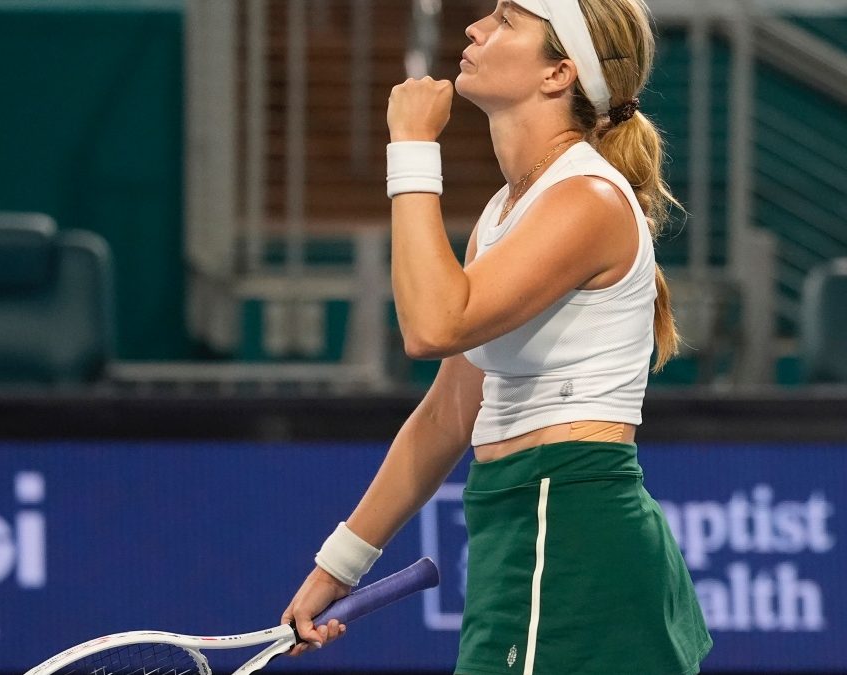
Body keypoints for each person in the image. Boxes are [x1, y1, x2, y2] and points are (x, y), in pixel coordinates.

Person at [282, 0, 713, 672]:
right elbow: (451, 409)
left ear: (558, 73)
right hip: (527, 529)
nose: (475, 28)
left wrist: (413, 147)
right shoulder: (509, 210)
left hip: (569, 527)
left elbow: (431, 325)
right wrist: (339, 565)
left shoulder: (586, 201)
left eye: (509, 20)